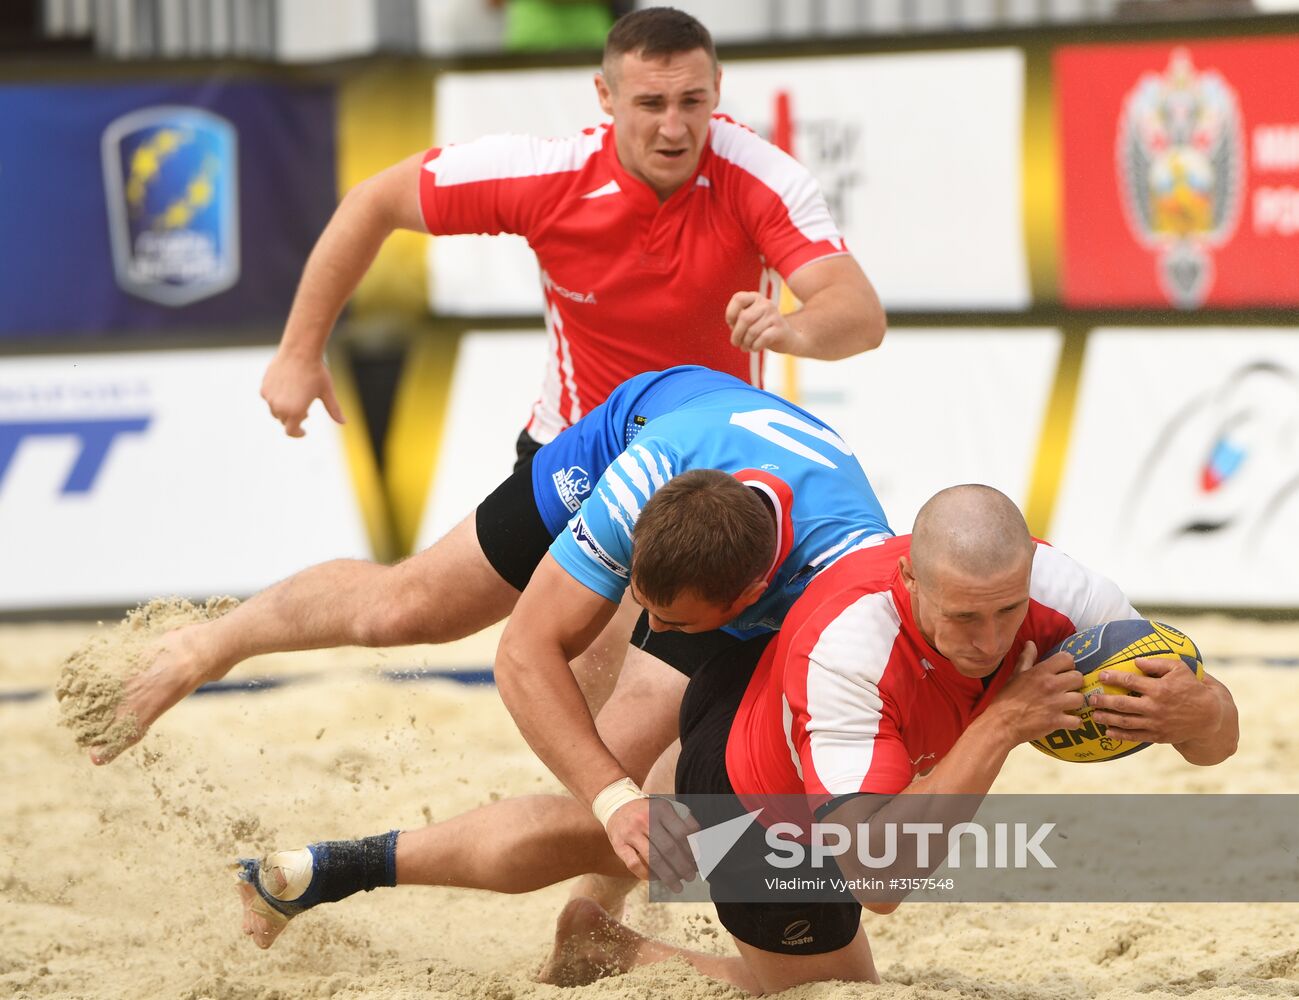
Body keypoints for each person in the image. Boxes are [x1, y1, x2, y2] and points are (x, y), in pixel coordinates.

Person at [87, 365, 891, 931]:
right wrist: (612, 799)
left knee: (635, 803)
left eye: (665, 624)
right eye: (639, 607)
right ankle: (210, 644)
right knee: (413, 610)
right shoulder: (634, 489)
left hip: (763, 536)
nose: (643, 627)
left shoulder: (844, 586)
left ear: (748, 603)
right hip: (649, 430)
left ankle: (555, 915)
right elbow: (522, 652)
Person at [535, 485, 1239, 993]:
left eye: (1008, 610)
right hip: (761, 793)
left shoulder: (1069, 594)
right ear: (910, 579)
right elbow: (877, 879)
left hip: (790, 709)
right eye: (963, 617)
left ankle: (653, 825)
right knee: (817, 990)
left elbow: (1217, 745)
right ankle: (612, 948)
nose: (990, 642)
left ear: (1030, 569)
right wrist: (1001, 722)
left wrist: (1200, 713)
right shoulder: (854, 644)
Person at [259, 6, 885, 450]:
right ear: (605, 97)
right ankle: (198, 641)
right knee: (406, 612)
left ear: (717, 89)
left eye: (692, 101)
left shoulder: (761, 175)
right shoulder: (548, 174)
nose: (674, 127)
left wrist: (791, 328)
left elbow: (859, 315)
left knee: (613, 633)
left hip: (709, 459)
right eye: (650, 104)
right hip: (572, 452)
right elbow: (372, 201)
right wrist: (297, 352)